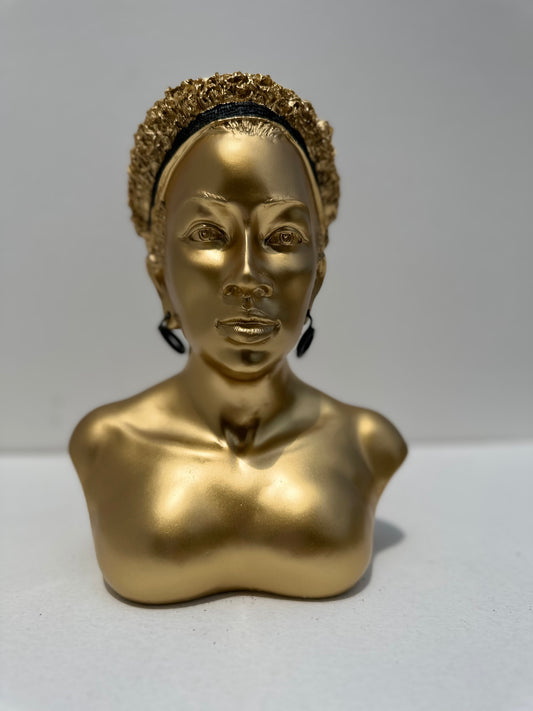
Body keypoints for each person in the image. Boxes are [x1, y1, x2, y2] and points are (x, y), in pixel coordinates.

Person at [69, 72, 407, 604]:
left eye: (283, 237)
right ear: (159, 272)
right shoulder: (105, 443)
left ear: (317, 274)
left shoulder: (369, 444)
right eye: (209, 234)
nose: (248, 276)